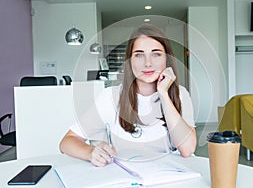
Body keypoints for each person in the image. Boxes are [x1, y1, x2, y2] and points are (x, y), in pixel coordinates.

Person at [59, 24, 197, 167]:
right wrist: (90, 152)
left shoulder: (181, 94)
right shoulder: (110, 97)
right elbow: (67, 142)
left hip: (170, 177)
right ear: (129, 61)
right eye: (139, 54)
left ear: (166, 60)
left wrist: (164, 95)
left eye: (156, 54)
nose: (148, 63)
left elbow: (187, 150)